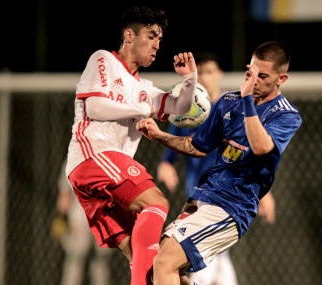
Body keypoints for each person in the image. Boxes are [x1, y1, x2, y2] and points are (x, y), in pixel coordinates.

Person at [137, 41, 301, 285]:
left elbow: (260, 146)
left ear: (282, 79)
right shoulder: (227, 102)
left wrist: (246, 99)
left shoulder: (286, 114)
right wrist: (160, 136)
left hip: (232, 206)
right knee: (162, 268)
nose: (255, 81)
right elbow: (197, 146)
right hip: (202, 197)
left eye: (263, 76)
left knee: (165, 263)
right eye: (251, 73)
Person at [64, 6, 197, 285]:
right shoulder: (103, 60)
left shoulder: (144, 87)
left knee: (139, 254)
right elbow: (95, 105)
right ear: (129, 35)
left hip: (105, 176)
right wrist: (139, 108)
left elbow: (180, 107)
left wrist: (189, 80)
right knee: (157, 202)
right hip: (94, 156)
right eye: (150, 36)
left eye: (159, 40)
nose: (157, 45)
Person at [157, 52, 276, 285]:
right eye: (201, 73)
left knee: (199, 267)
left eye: (210, 72)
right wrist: (165, 166)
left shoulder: (234, 110)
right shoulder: (190, 113)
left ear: (220, 74)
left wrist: (266, 194)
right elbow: (169, 155)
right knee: (213, 267)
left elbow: (252, 156)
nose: (206, 78)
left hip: (229, 200)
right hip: (201, 198)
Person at [54, 159, 113, 285]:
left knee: (74, 263)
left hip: (79, 220)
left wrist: (61, 219)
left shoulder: (73, 159)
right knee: (99, 265)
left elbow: (64, 199)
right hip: (102, 221)